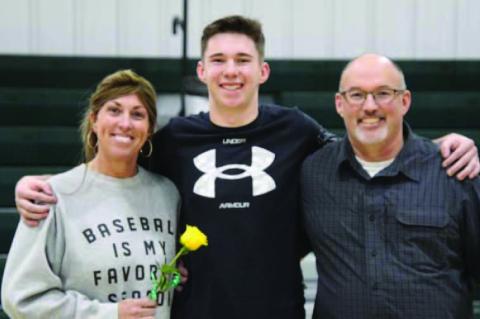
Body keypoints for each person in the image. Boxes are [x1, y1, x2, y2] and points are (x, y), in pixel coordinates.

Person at [13, 16, 480, 319]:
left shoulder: (297, 130)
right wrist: (37, 184)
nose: (230, 71)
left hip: (278, 309)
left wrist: (438, 146)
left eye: (242, 60)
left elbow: (366, 143)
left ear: (263, 71)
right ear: (202, 72)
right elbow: (113, 163)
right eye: (218, 60)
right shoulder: (174, 139)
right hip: (197, 310)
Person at [301, 53, 480, 319]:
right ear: (340, 104)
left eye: (383, 93)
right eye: (357, 95)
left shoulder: (454, 171)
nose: (370, 106)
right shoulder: (313, 173)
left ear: (405, 100)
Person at [2, 70, 180, 319]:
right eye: (114, 110)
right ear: (94, 120)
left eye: (137, 114)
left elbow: (157, 280)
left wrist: (174, 279)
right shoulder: (54, 195)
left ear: (149, 129)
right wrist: (109, 314)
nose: (125, 123)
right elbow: (20, 298)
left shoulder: (167, 194)